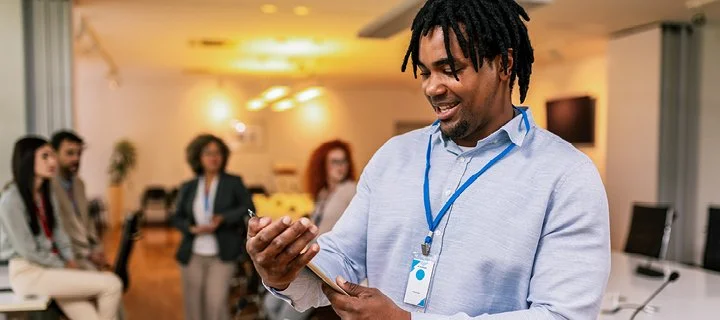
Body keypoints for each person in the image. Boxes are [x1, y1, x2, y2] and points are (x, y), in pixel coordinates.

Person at [245, 0, 610, 319]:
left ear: (504, 64)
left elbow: (561, 316)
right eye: (424, 72)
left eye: (451, 69)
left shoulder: (566, 175)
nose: (432, 87)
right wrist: (287, 269)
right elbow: (344, 257)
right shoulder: (394, 156)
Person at [0, 136, 123, 320]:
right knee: (112, 285)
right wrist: (64, 265)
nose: (53, 161)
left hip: (51, 270)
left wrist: (69, 259)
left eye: (52, 155)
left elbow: (59, 233)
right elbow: (28, 251)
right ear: (27, 159)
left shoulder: (46, 194)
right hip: (29, 273)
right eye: (45, 156)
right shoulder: (11, 200)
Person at [263, 140, 358, 320]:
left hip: (329, 262)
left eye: (343, 161)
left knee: (286, 315)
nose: (341, 166)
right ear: (323, 165)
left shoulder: (349, 190)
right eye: (334, 161)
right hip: (311, 258)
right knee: (270, 303)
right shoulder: (323, 193)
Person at [171, 134, 256, 320]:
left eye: (217, 153)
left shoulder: (233, 182)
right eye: (208, 153)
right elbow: (176, 217)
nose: (213, 157)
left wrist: (223, 218)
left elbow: (250, 209)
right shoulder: (189, 186)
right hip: (193, 253)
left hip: (223, 254)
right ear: (198, 158)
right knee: (193, 307)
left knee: (215, 304)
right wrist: (191, 228)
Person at [50, 130, 108, 271]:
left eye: (79, 153)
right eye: (70, 153)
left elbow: (88, 223)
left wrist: (97, 249)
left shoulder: (79, 184)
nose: (76, 159)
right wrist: (87, 254)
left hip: (86, 252)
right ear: (54, 154)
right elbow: (59, 232)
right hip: (66, 256)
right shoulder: (48, 187)